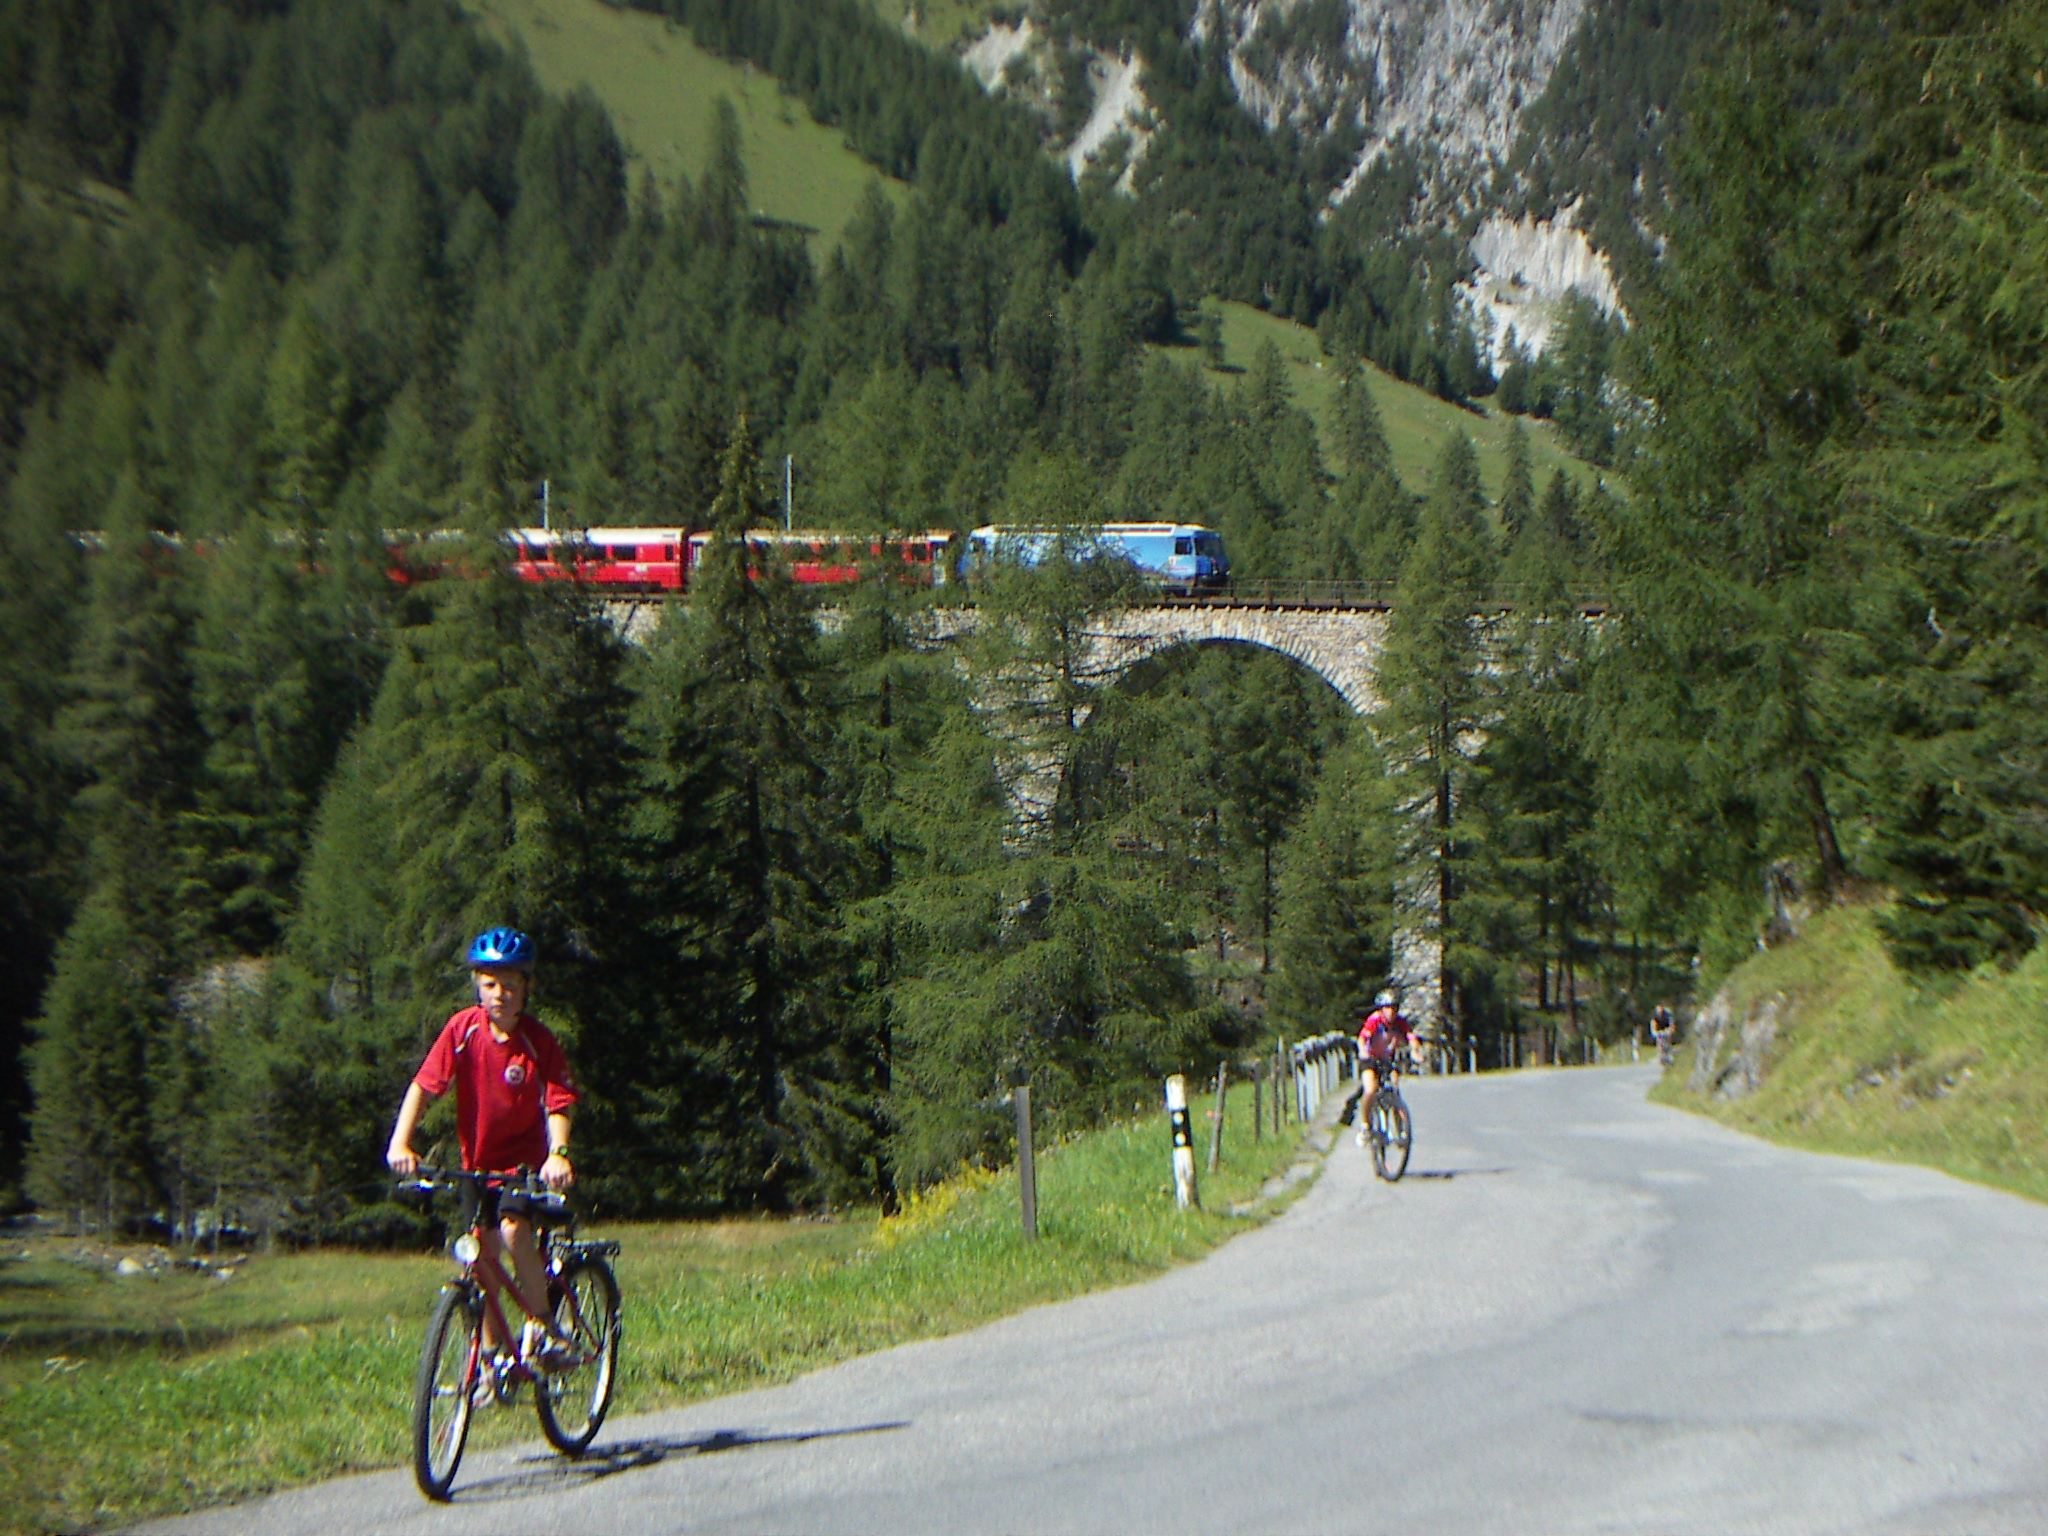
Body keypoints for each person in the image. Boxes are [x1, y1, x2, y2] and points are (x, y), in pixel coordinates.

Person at [387, 927, 580, 1396]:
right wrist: (401, 1144)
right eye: (490, 984)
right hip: (476, 1165)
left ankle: (547, 1328)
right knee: (480, 1260)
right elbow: (424, 1087)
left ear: (526, 989)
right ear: (477, 984)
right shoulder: (462, 1030)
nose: (500, 994)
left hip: (525, 1167)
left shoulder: (537, 1041)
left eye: (510, 985)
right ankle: (493, 1365)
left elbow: (558, 1101)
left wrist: (558, 1154)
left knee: (514, 1232)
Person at [1355, 987, 1415, 1148]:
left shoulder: (1400, 1022)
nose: (1391, 1011)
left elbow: (1410, 1036)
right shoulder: (1374, 1020)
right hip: (1370, 1058)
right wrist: (1363, 1051)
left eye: (1394, 1007)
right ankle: (1366, 1126)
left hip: (1387, 1060)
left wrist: (1416, 1051)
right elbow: (1363, 1038)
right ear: (1381, 1009)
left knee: (1395, 1091)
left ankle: (1404, 1132)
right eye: (1388, 1007)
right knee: (1370, 1090)